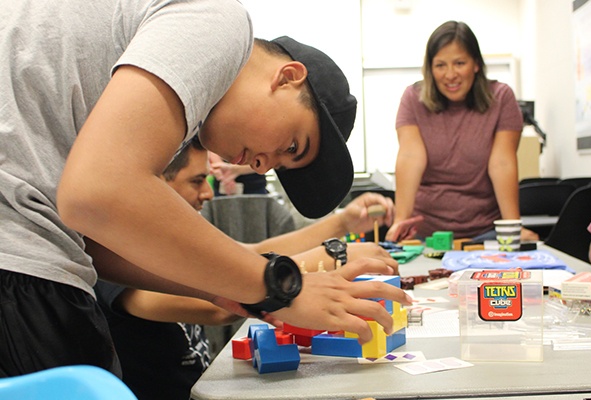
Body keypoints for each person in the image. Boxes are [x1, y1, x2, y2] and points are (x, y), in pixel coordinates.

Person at [1, 0, 410, 378]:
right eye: (291, 146)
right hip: (19, 263)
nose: (262, 164)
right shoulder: (219, 21)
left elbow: (97, 242)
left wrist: (238, 290)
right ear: (288, 77)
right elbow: (94, 192)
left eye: (279, 165)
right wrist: (279, 285)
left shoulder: (147, 85)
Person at [96, 136, 399, 400]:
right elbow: (224, 300)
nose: (209, 193)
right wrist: (331, 257)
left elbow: (250, 255)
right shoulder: (119, 258)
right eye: (196, 180)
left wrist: (342, 223)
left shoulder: (167, 248)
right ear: (157, 185)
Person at [385, 20, 539, 242]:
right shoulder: (413, 98)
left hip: (485, 233)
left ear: (476, 63)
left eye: (459, 63)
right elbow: (410, 157)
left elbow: (502, 163)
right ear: (430, 68)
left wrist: (512, 229)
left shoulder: (501, 97)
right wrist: (401, 223)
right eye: (440, 65)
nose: (450, 75)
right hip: (427, 233)